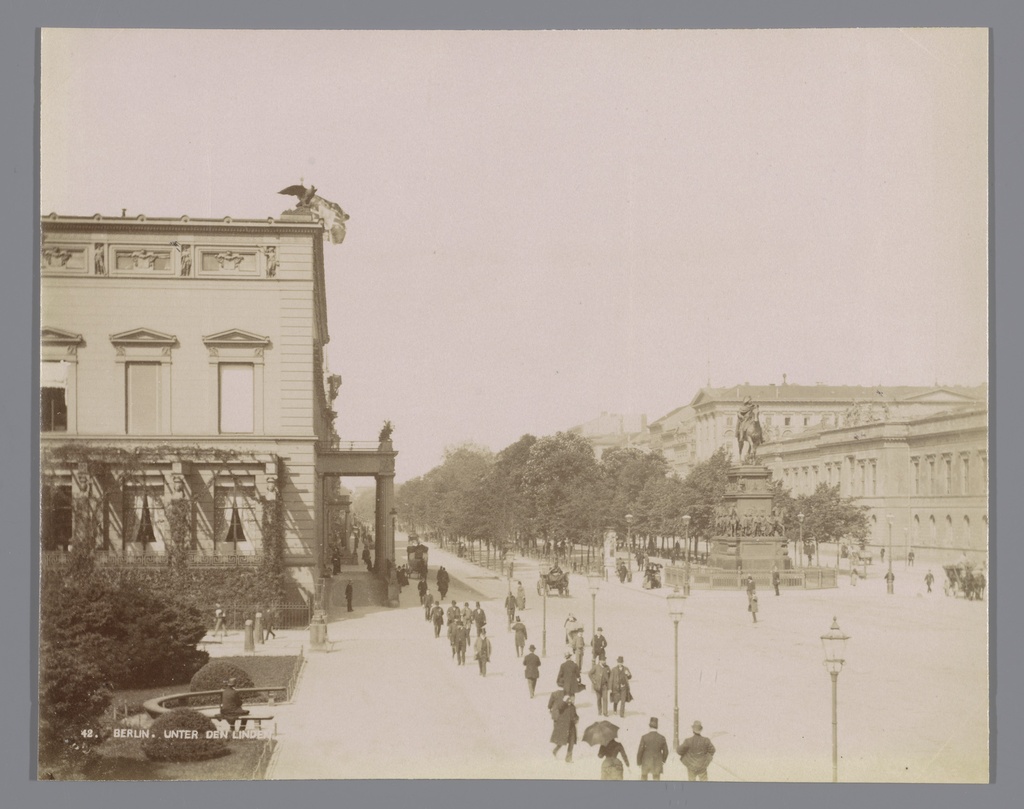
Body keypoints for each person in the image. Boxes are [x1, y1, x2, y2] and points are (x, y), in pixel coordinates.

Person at [550, 693, 579, 763]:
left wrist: (576, 718)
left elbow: (575, 715)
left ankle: (568, 758)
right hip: (564, 726)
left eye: (574, 698)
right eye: (572, 698)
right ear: (568, 698)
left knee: (571, 743)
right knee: (562, 742)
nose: (573, 700)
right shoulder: (563, 706)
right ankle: (554, 751)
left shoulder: (573, 707)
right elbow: (559, 707)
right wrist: (565, 702)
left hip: (572, 726)